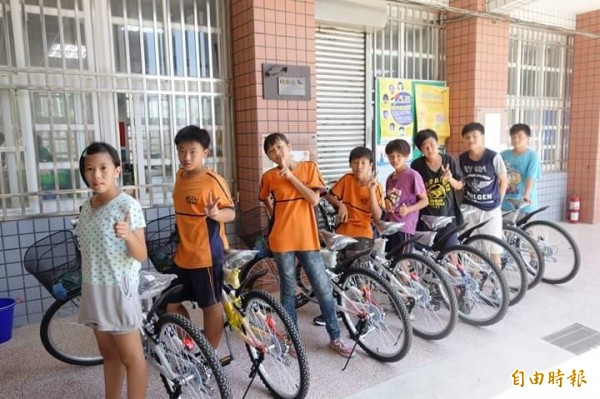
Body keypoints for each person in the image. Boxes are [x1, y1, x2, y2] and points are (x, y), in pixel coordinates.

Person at [259, 132, 354, 358]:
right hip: (282, 240)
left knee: (322, 288)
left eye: (280, 147)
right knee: (288, 291)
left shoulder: (309, 168)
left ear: (289, 147)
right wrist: (276, 215)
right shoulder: (269, 176)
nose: (277, 153)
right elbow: (264, 198)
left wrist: (290, 176)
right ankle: (292, 340)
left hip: (307, 238)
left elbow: (313, 200)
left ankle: (335, 337)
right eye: (271, 151)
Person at [76, 142, 148, 399]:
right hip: (94, 290)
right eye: (90, 169)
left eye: (104, 168)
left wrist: (128, 236)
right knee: (109, 354)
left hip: (119, 291)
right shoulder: (86, 208)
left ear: (117, 170)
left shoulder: (128, 206)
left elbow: (141, 254)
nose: (96, 175)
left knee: (132, 358)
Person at [166, 125, 235, 350]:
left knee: (210, 305)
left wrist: (217, 214)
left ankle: (209, 356)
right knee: (172, 303)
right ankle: (191, 342)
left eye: (193, 151)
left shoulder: (212, 180)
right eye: (181, 151)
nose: (186, 157)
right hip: (182, 254)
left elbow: (231, 212)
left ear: (205, 152)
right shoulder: (180, 175)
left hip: (206, 254)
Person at [313, 146, 384, 326]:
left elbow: (377, 216)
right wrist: (341, 205)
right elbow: (328, 196)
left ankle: (368, 312)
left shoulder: (375, 185)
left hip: (363, 235)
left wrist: (370, 192)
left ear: (370, 165)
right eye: (355, 162)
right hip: (342, 234)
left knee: (358, 274)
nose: (359, 166)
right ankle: (335, 310)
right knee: (333, 272)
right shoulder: (347, 179)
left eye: (363, 162)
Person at [459, 122, 508, 266]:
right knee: (472, 246)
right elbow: (461, 182)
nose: (471, 140)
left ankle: (498, 284)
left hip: (490, 209)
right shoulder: (462, 158)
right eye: (467, 137)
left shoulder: (493, 156)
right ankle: (477, 277)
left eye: (475, 136)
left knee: (494, 249)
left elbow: (503, 180)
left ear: (483, 138)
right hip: (469, 208)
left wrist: (499, 201)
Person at [411, 129, 463, 249]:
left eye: (432, 145)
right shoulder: (417, 165)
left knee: (450, 252)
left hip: (448, 216)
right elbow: (416, 191)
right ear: (420, 150)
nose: (430, 149)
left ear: (438, 144)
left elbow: (459, 185)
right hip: (426, 218)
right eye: (425, 147)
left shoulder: (449, 160)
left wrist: (450, 179)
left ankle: (456, 268)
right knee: (428, 255)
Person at [383, 139, 428, 254]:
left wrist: (408, 209)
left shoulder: (412, 175)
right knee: (391, 259)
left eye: (399, 156)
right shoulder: (389, 178)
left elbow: (425, 201)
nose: (395, 160)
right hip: (391, 225)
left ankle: (410, 273)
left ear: (406, 156)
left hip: (405, 225)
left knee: (403, 259)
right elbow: (391, 198)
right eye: (391, 156)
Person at [501, 123, 541, 214]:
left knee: (526, 227)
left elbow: (531, 177)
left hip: (525, 203)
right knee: (507, 228)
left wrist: (526, 194)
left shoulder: (532, 156)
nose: (516, 139)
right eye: (513, 137)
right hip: (507, 202)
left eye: (520, 136)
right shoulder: (503, 155)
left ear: (527, 138)